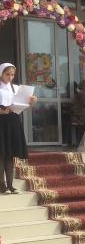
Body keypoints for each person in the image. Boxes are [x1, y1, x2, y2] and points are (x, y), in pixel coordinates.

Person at [0, 63, 37, 194]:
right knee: (1, 155)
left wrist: (31, 102)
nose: (10, 77)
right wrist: (1, 111)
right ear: (1, 74)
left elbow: (22, 105)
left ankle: (10, 185)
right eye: (7, 74)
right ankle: (2, 185)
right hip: (1, 122)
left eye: (12, 75)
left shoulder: (16, 88)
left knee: (9, 155)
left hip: (13, 122)